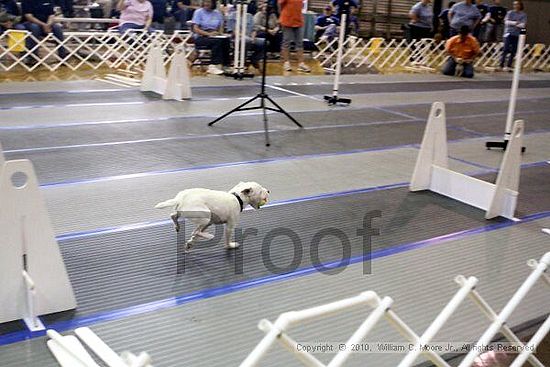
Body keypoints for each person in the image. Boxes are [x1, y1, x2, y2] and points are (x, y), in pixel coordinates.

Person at [191, 0, 230, 75]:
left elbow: (220, 27)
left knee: (226, 40)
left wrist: (219, 33)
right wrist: (208, 34)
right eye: (205, 2)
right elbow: (195, 29)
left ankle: (226, 65)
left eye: (208, 2)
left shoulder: (217, 13)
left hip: (215, 34)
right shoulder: (198, 12)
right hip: (201, 36)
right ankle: (213, 65)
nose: (206, 4)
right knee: (216, 41)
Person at [226, 4, 265, 70]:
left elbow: (254, 29)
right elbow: (232, 30)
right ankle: (242, 61)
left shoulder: (249, 16)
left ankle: (254, 59)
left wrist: (253, 37)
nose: (242, 8)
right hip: (237, 38)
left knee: (264, 42)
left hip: (250, 37)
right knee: (246, 41)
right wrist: (243, 36)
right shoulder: (232, 16)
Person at [278, 0, 310, 72]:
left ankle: (301, 63)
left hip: (298, 21)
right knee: (286, 42)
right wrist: (281, 16)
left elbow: (301, 6)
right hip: (287, 20)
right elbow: (279, 5)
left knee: (299, 43)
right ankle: (286, 62)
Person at [499, 0, 526, 71]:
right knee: (505, 49)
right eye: (514, 4)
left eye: (517, 4)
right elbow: (506, 22)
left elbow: (523, 25)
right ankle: (501, 64)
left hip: (517, 34)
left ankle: (509, 65)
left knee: (514, 50)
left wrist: (514, 24)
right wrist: (515, 23)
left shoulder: (523, 15)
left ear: (520, 6)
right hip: (508, 33)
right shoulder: (510, 13)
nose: (516, 6)